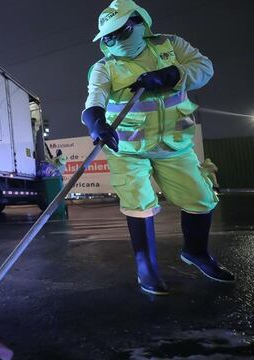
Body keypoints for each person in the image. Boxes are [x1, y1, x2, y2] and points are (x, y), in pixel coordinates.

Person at [82, 0, 234, 295]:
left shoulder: (171, 45)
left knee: (200, 198)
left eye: (120, 32)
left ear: (139, 23)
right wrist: (96, 122)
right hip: (126, 148)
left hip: (173, 144)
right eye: (108, 37)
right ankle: (146, 267)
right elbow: (94, 99)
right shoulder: (104, 67)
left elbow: (204, 68)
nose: (114, 41)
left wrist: (170, 75)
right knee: (138, 203)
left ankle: (196, 253)